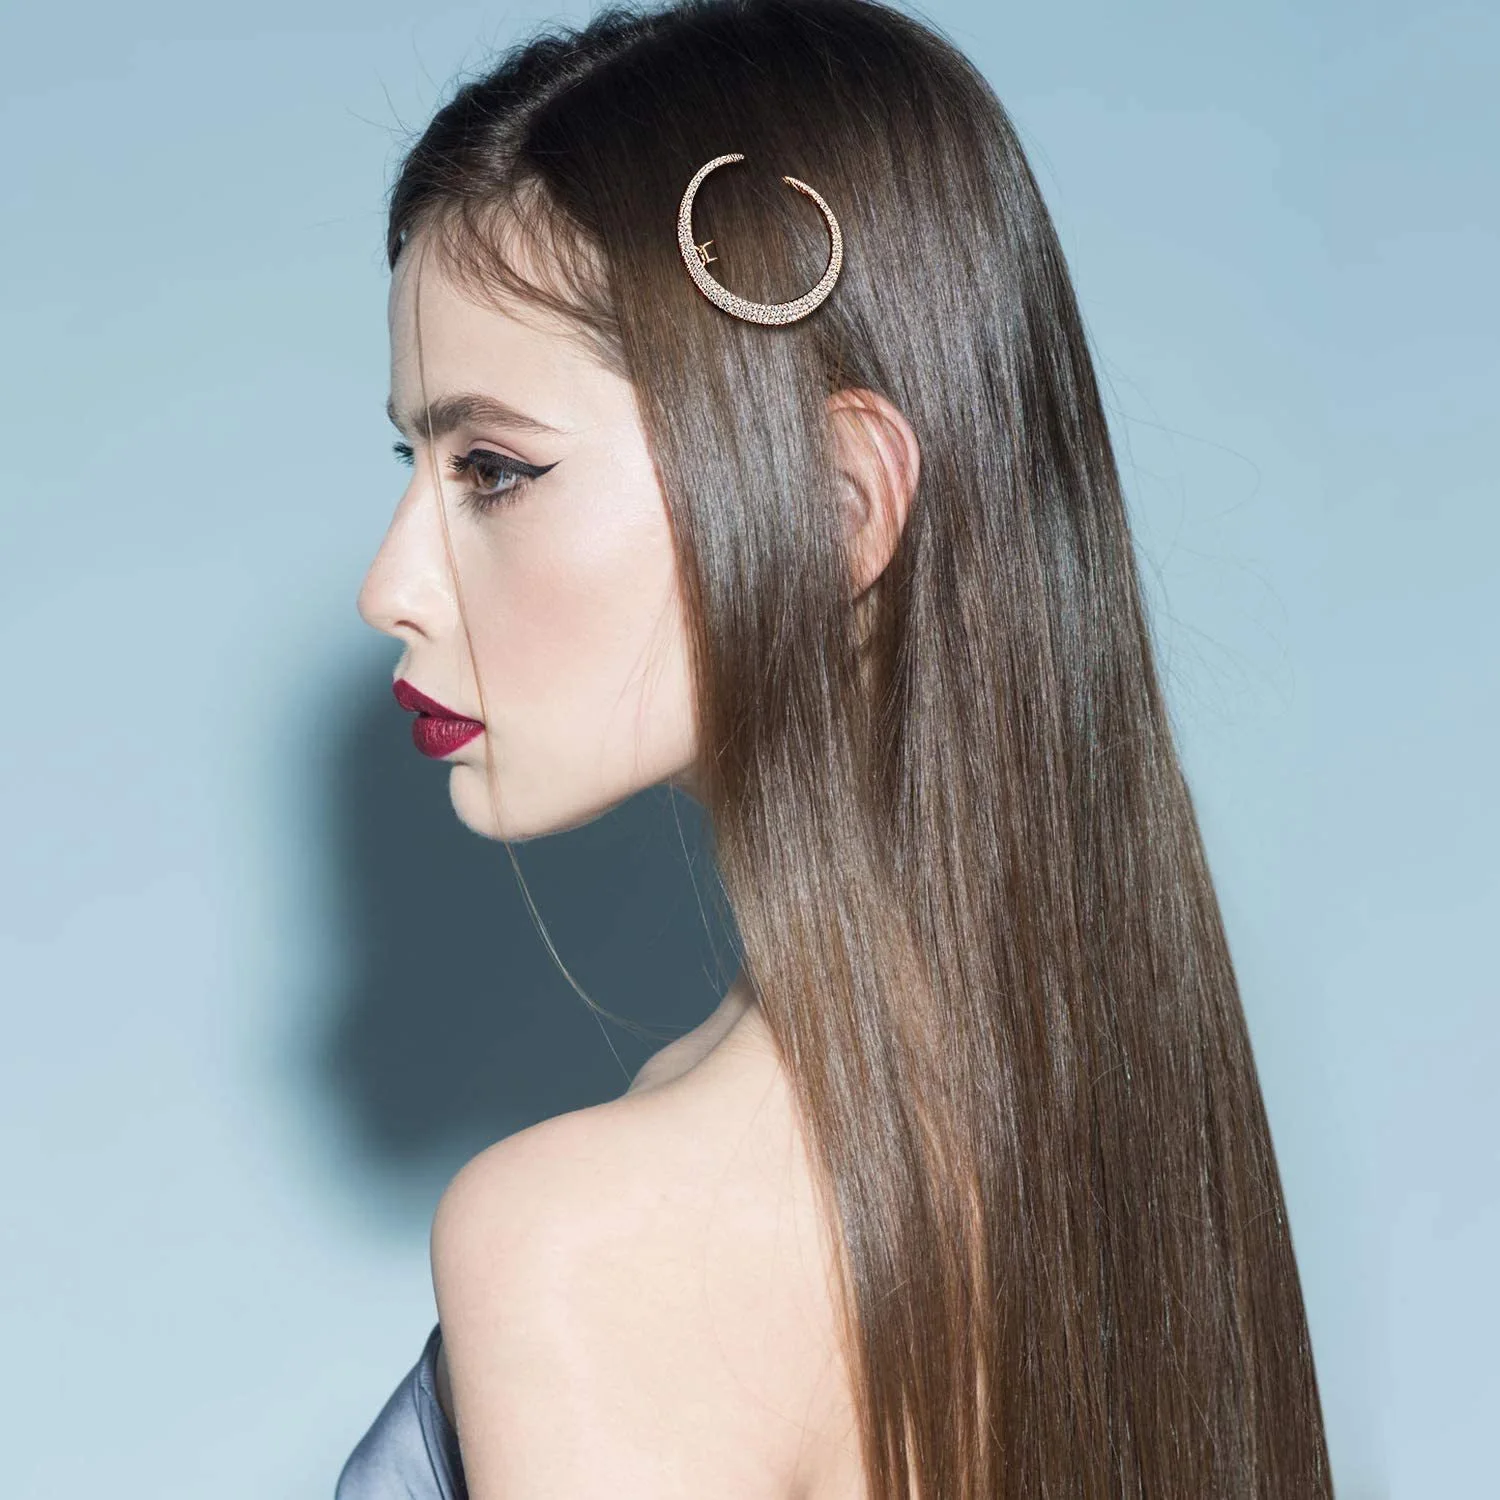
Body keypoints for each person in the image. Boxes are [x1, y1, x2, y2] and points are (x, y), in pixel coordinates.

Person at [335, 0, 1333, 1495]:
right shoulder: (1143, 1166)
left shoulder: (590, 1239)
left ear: (835, 501)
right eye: (413, 460)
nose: (390, 585)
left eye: (493, 468)